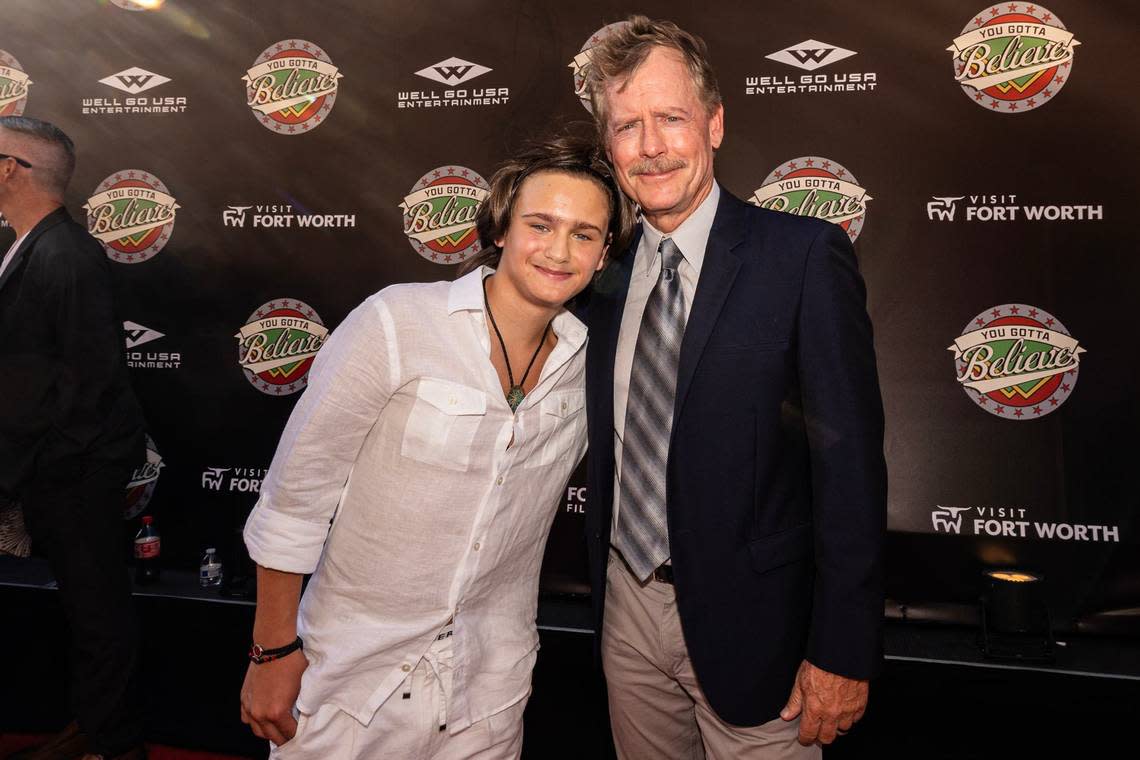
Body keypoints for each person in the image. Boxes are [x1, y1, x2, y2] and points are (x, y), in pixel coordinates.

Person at [239, 133, 634, 759]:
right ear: (501, 228)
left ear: (604, 253)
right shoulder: (396, 322)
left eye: (584, 234)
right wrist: (271, 651)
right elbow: (295, 501)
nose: (559, 251)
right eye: (540, 224)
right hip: (352, 686)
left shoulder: (593, 366)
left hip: (488, 693)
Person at [581, 16, 888, 758]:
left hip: (764, 635)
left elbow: (849, 471)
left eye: (671, 119)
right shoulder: (598, 276)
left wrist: (844, 649)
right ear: (608, 147)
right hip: (627, 615)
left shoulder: (803, 256)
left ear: (714, 124)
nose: (651, 146)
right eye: (628, 126)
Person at [0, 116, 147, 759]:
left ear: (11, 168)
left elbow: (86, 385)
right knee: (87, 612)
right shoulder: (35, 245)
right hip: (54, 469)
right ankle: (90, 728)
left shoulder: (66, 254)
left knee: (96, 613)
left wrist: (35, 474)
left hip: (74, 472)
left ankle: (110, 746)